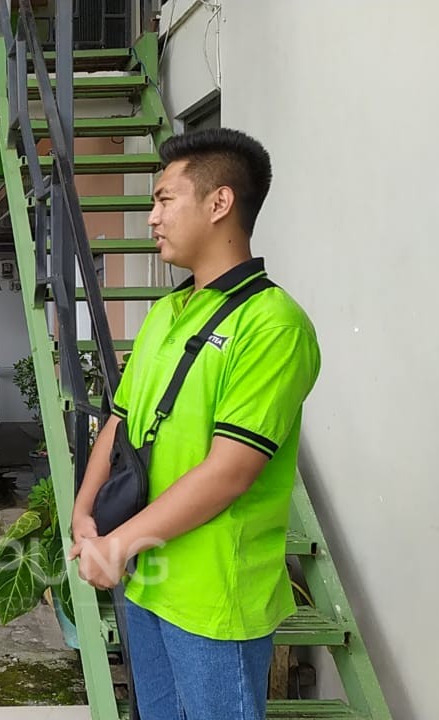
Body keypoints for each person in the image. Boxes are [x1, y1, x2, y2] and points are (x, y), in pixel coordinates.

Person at [67, 128, 321, 720]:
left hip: (214, 598)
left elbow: (230, 471)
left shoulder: (273, 325)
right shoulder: (166, 312)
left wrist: (118, 544)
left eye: (163, 199)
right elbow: (121, 423)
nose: (152, 217)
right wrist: (84, 513)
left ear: (219, 203)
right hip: (147, 581)